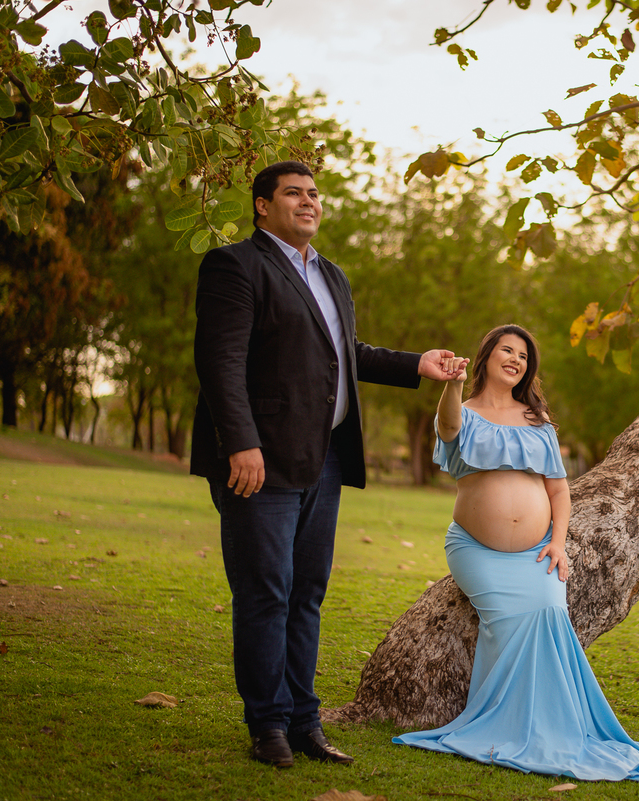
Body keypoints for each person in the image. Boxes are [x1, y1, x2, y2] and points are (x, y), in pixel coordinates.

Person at [190, 161, 464, 768]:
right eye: (294, 193)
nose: (309, 201)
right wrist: (240, 442)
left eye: (314, 193)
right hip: (258, 465)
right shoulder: (235, 266)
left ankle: (305, 722)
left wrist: (416, 364)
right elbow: (219, 360)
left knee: (307, 593)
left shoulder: (332, 275)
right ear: (263, 205)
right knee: (266, 594)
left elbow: (347, 354)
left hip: (325, 461)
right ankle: (267, 727)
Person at [393, 324, 639, 783]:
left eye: (523, 356)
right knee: (507, 621)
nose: (516, 360)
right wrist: (452, 385)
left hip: (536, 554)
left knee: (548, 610)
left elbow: (559, 492)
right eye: (507, 350)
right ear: (486, 356)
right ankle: (501, 727)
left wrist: (558, 541)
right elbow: (447, 427)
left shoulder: (536, 421)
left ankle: (551, 729)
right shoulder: (462, 411)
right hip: (476, 549)